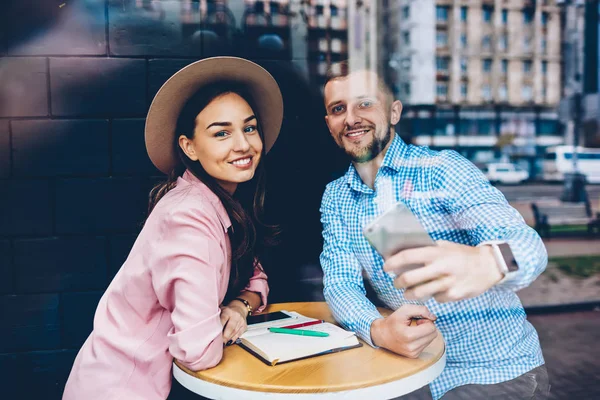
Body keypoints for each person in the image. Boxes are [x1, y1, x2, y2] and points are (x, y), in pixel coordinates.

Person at [319, 62, 550, 399]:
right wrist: (378, 329)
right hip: (413, 372)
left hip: (495, 370)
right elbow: (341, 283)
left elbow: (529, 247)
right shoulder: (337, 196)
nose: (351, 118)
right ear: (329, 124)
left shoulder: (442, 170)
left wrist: (489, 263)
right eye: (338, 109)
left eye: (365, 103)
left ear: (394, 112)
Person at [63, 57, 283, 400]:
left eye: (249, 127)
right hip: (121, 388)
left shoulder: (219, 204)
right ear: (189, 147)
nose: (243, 144)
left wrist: (238, 307)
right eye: (222, 133)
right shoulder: (188, 218)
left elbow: (257, 279)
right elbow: (198, 351)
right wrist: (220, 323)